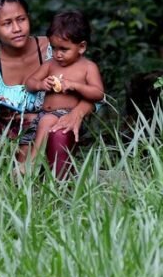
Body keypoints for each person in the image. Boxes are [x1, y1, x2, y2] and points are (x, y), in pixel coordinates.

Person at [0, 0, 94, 177]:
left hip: (50, 131)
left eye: (21, 19)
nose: (17, 28)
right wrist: (7, 116)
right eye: (7, 23)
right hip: (6, 137)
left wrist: (77, 113)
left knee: (59, 130)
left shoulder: (54, 49)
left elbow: (93, 94)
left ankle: (58, 188)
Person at [22, 10, 104, 170]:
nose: (58, 54)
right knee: (25, 141)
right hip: (42, 114)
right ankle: (23, 173)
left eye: (64, 49)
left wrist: (75, 85)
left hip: (65, 114)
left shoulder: (88, 67)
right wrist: (41, 84)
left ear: (81, 47)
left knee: (46, 121)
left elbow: (98, 93)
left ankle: (32, 163)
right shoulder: (50, 64)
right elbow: (29, 83)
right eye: (53, 48)